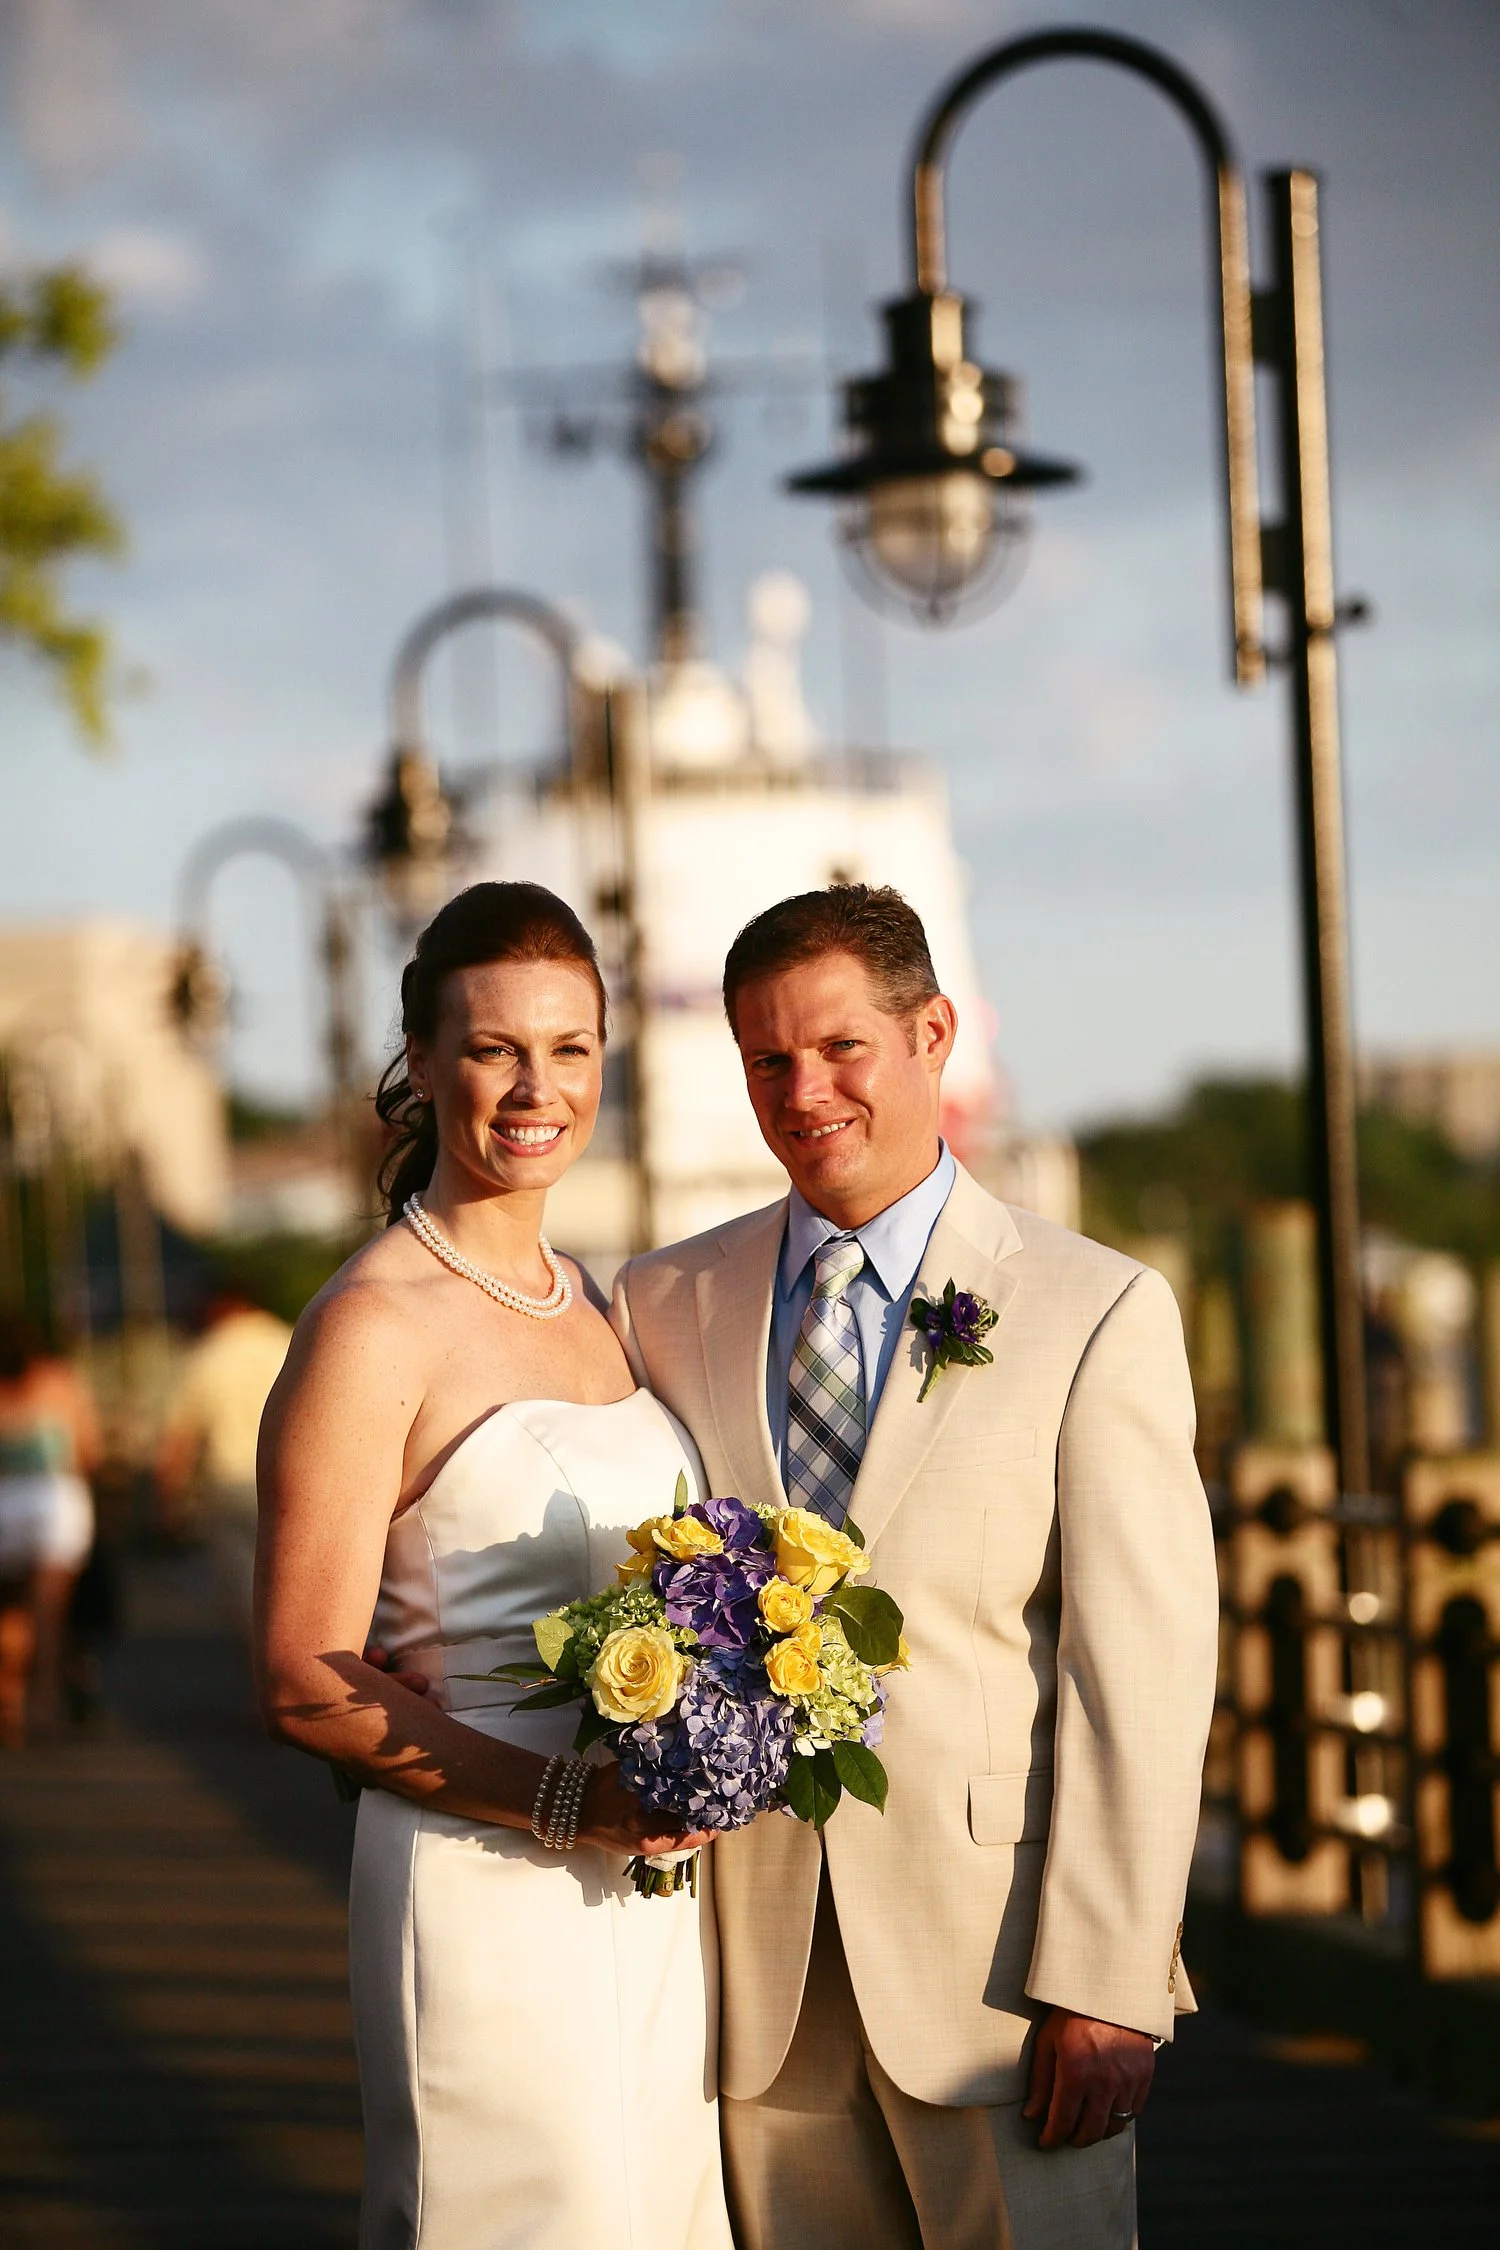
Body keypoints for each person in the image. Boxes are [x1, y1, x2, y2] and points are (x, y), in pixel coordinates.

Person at [610, 884, 1219, 2250]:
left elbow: (1140, 1673)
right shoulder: (664, 1298)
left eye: (839, 1047)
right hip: (754, 1983)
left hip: (1002, 1978)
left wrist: (1111, 1978)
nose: (803, 1089)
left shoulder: (1094, 1307)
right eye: (768, 1057)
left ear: (931, 1033)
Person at [255, 882, 731, 2250]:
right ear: (420, 1061)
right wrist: (569, 1800)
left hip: (649, 1895)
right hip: (485, 1882)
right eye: (494, 1047)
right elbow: (301, 1676)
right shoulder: (372, 1327)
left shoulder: (604, 1299)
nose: (539, 1087)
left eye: (571, 1046)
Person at [156, 1280, 293, 1634]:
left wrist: (167, 1501)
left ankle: (267, 1682)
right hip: (291, 1478)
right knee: (296, 1584)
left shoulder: (207, 1355)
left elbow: (179, 1439)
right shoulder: (289, 1340)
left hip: (229, 1487)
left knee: (249, 1594)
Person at [0, 1314, 103, 1744]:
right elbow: (89, 1449)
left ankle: (10, 1705)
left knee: (10, 1611)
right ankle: (44, 1704)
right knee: (49, 1615)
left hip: (5, 1502)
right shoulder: (61, 1381)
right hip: (56, 1503)